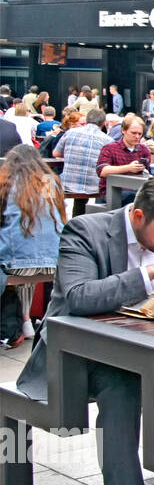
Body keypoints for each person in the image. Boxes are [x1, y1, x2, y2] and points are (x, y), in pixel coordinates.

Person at [16, 176, 154, 485]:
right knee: (123, 381)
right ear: (139, 215)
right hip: (76, 354)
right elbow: (78, 297)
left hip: (152, 344)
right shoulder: (85, 230)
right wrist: (146, 275)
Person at [0, 146, 65, 347]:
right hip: (54, 260)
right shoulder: (53, 182)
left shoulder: (6, 183)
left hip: (16, 262)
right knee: (25, 255)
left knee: (16, 258)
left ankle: (19, 323)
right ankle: (26, 321)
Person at [55, 109, 113, 215]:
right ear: (104, 123)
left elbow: (56, 153)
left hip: (67, 183)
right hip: (94, 186)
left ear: (86, 120)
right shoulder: (108, 140)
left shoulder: (70, 132)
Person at [95, 114, 152, 200]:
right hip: (113, 191)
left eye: (140, 134)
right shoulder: (110, 148)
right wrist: (128, 168)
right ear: (123, 131)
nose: (137, 137)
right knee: (134, 196)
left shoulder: (143, 150)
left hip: (136, 190)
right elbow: (102, 171)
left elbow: (153, 171)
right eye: (133, 133)